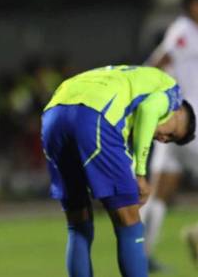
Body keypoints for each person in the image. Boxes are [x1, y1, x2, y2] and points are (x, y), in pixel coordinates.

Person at [41, 65, 196, 277]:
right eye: (172, 134)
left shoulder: (133, 79)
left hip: (53, 115)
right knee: (129, 222)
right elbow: (149, 110)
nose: (163, 139)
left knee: (78, 224)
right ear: (178, 112)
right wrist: (141, 176)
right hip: (94, 115)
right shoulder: (172, 92)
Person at [140, 0, 198, 271]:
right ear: (191, 6)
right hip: (190, 123)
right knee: (157, 192)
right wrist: (142, 88)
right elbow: (158, 60)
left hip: (172, 122)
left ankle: (141, 252)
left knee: (159, 192)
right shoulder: (183, 31)